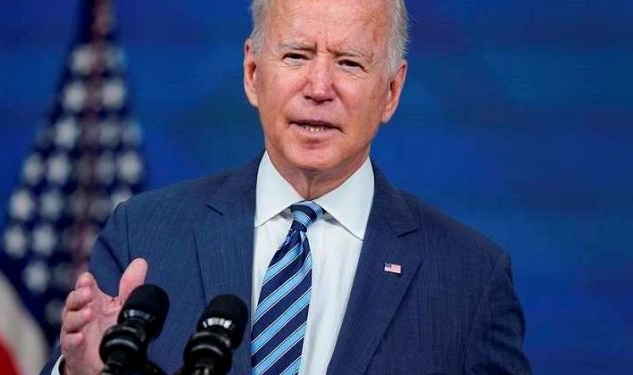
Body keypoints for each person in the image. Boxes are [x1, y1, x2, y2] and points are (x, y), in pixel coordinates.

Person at [42, 0, 531, 374]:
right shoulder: (145, 232)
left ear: (391, 91)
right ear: (253, 74)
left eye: (349, 62)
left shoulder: (468, 280)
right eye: (296, 55)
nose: (319, 87)